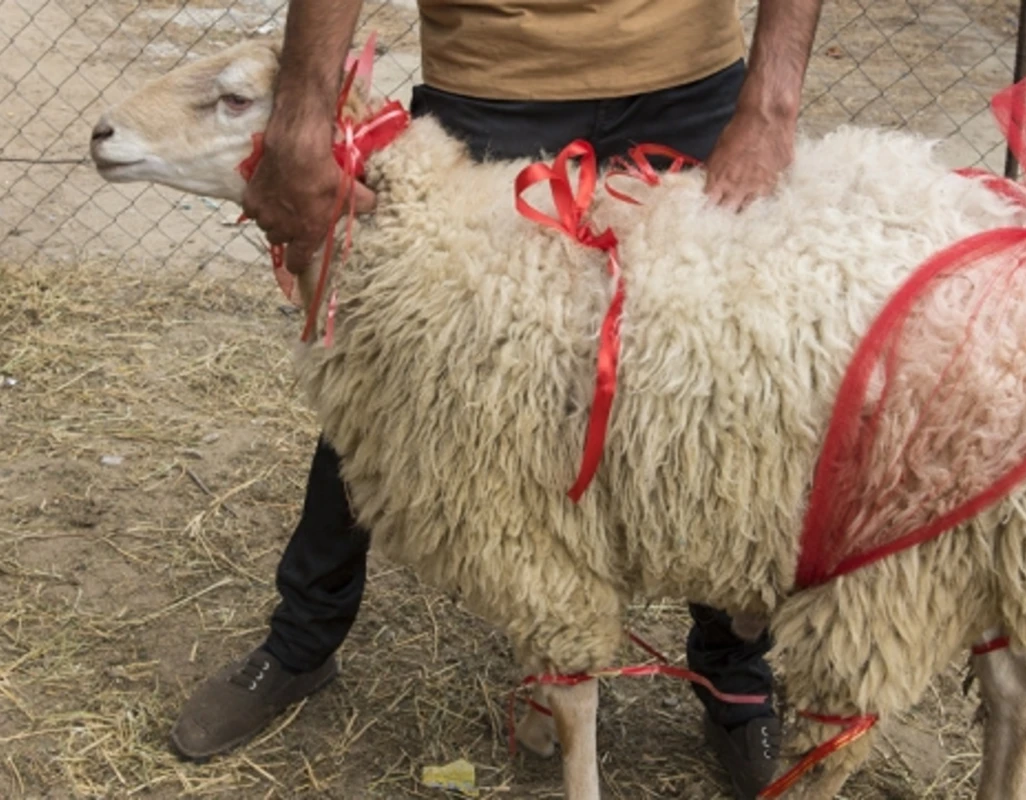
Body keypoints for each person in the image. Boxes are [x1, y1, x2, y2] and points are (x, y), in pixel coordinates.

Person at [170, 1, 822, 797]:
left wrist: (771, 98)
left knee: (714, 385)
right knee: (395, 371)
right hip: (493, 82)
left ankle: (733, 677)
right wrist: (302, 121)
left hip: (685, 77)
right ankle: (301, 641)